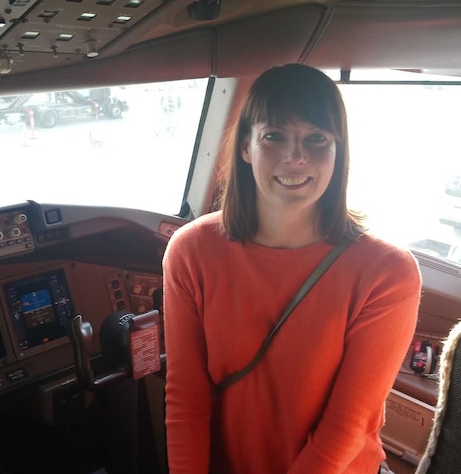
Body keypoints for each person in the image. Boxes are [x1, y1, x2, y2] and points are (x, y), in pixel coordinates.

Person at [162, 63, 422, 474]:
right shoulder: (192, 251)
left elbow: (347, 426)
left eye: (316, 138)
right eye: (274, 136)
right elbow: (186, 399)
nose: (296, 157)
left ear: (339, 151)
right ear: (246, 147)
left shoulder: (387, 272)